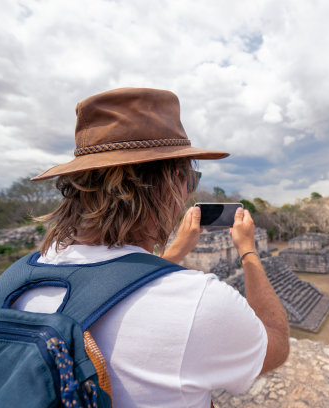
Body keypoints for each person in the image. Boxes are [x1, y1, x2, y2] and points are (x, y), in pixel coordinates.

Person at [14, 88, 290, 407]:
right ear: (175, 181)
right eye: (191, 179)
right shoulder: (197, 302)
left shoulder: (19, 282)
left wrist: (171, 256)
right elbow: (276, 343)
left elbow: (113, 286)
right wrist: (248, 252)